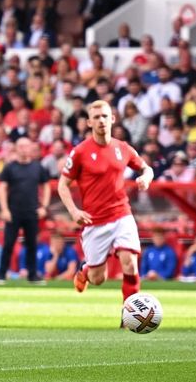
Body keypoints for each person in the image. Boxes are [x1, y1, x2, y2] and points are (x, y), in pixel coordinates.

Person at [58, 100, 154, 324]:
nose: (101, 121)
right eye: (96, 117)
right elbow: (62, 184)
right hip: (94, 221)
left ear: (112, 119)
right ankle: (85, 270)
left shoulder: (122, 148)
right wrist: (74, 211)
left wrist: (146, 178)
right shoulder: (80, 152)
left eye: (105, 116)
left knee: (129, 261)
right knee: (98, 278)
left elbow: (146, 167)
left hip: (122, 214)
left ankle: (130, 314)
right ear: (89, 122)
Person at [0, 137, 51, 284]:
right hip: (13, 212)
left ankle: (32, 276)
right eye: (20, 146)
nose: (23, 149)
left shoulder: (37, 167)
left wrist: (44, 207)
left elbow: (46, 186)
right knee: (8, 243)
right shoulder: (10, 167)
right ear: (16, 148)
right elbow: (2, 188)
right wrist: (4, 209)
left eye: (26, 146)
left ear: (30, 148)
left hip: (31, 212)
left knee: (32, 244)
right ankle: (1, 275)